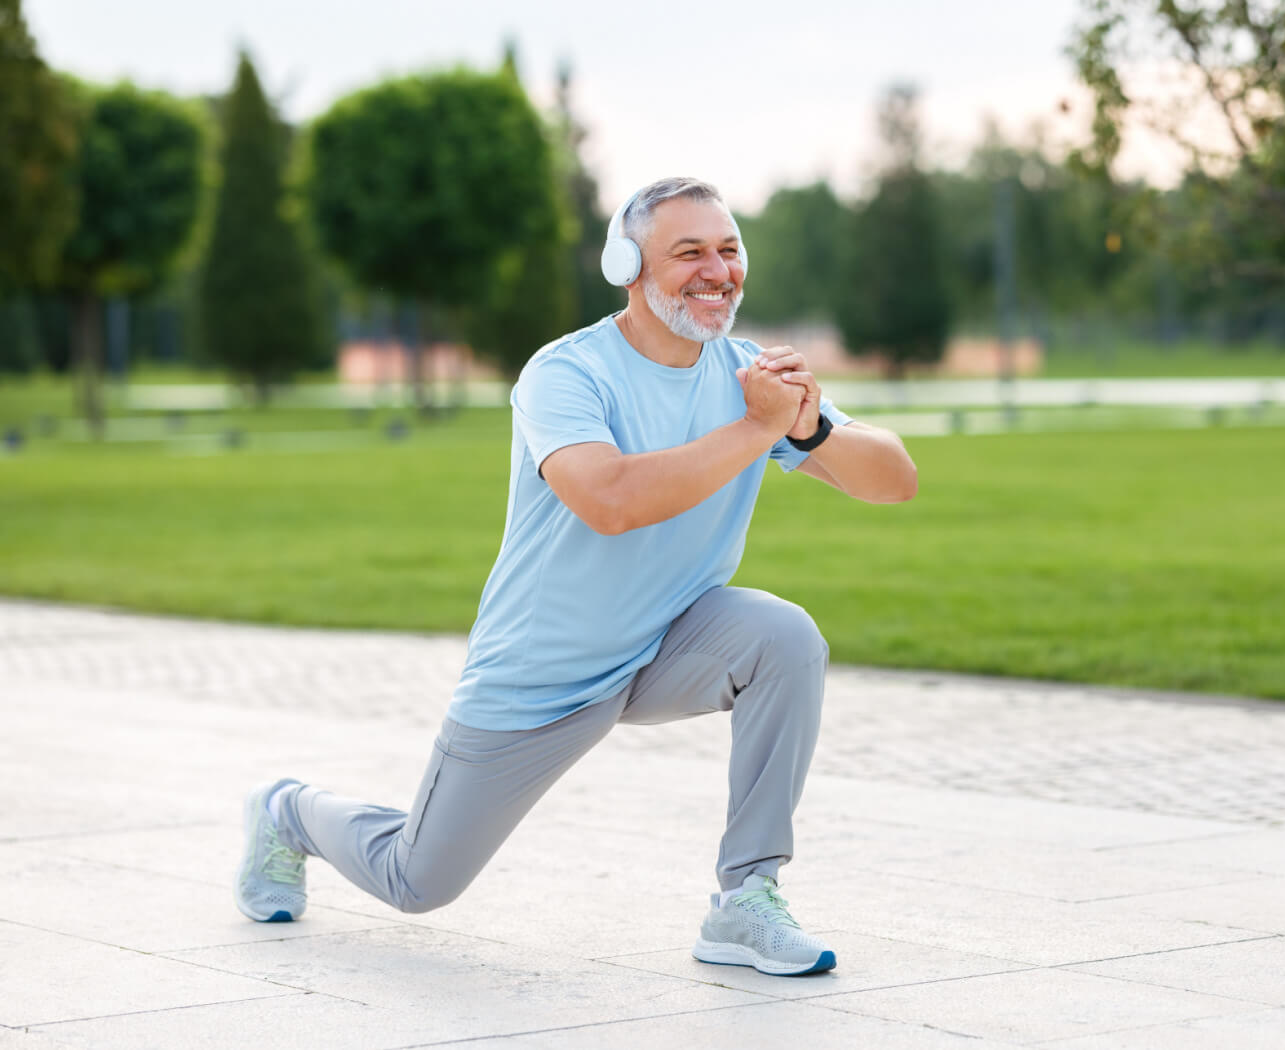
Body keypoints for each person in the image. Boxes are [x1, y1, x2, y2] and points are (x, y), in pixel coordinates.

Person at [234, 176, 918, 977]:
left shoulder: (749, 380)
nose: (716, 271)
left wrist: (809, 422)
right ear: (626, 264)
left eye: (729, 250)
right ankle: (287, 813)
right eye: (688, 252)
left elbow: (893, 479)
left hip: (666, 646)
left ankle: (746, 900)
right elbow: (611, 499)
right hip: (543, 674)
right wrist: (759, 427)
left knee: (783, 638)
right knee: (418, 880)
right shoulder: (566, 373)